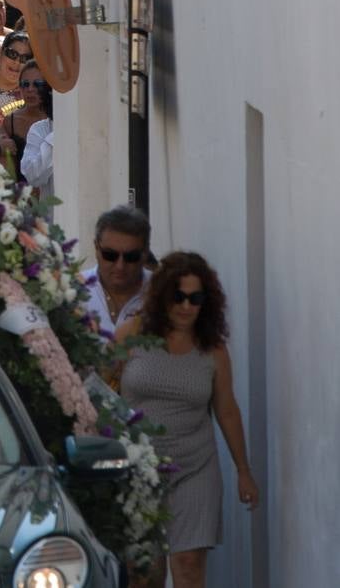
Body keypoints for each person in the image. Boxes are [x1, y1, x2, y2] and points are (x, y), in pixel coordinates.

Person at [117, 253, 259, 587]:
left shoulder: (212, 350)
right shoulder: (133, 333)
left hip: (195, 468)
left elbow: (226, 409)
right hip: (140, 471)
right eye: (178, 296)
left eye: (195, 298)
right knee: (145, 573)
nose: (186, 306)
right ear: (163, 295)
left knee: (189, 563)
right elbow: (97, 387)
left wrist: (243, 471)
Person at [81, 205, 154, 340]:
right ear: (96, 248)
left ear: (145, 253)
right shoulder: (73, 291)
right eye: (110, 255)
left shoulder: (162, 292)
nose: (120, 266)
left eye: (131, 257)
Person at [17, 62, 55, 196]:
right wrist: (56, 135)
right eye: (25, 84)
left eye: (38, 84)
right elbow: (32, 177)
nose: (30, 90)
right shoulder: (39, 129)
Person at [0, 29, 32, 107]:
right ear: (1, 53)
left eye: (25, 58)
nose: (17, 62)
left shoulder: (34, 96)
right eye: (12, 54)